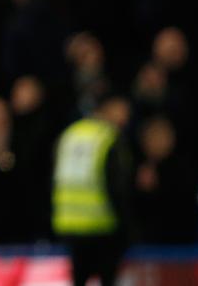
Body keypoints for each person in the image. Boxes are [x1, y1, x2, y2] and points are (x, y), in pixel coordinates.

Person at [52, 97, 132, 286]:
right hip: (102, 225)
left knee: (78, 278)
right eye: (121, 111)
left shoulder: (69, 134)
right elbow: (118, 186)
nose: (125, 118)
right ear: (107, 109)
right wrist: (127, 226)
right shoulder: (108, 137)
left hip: (68, 223)